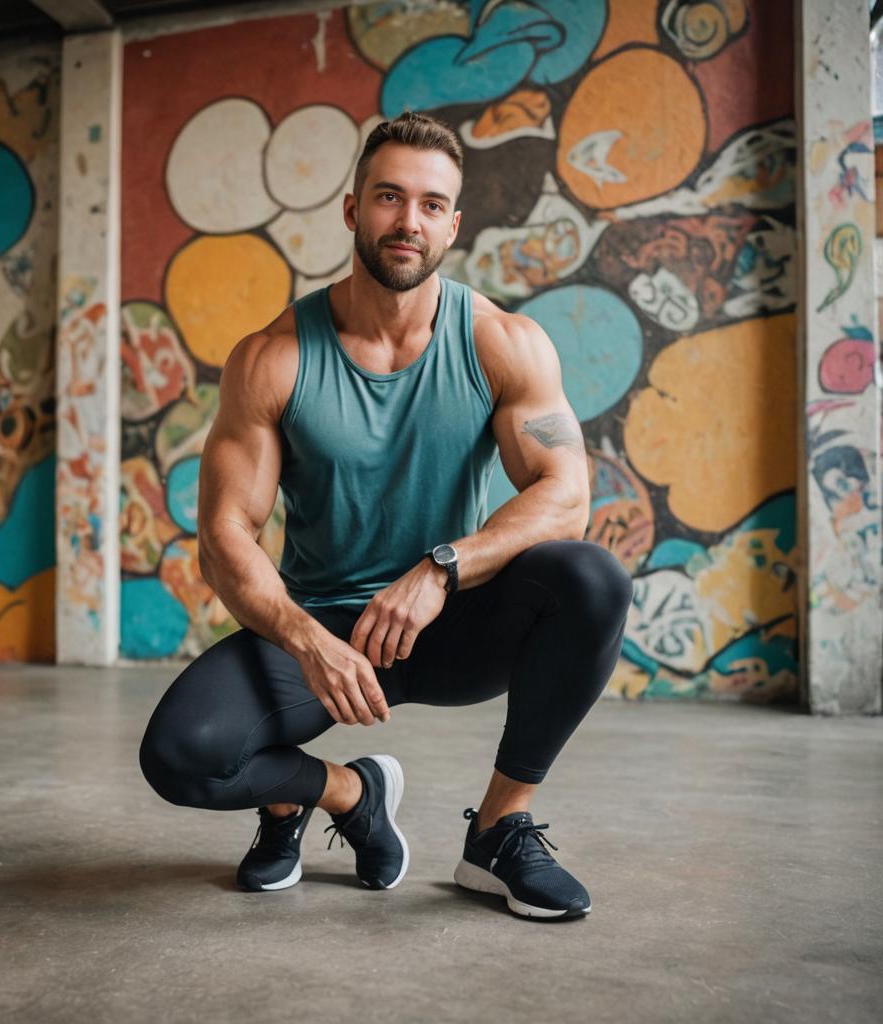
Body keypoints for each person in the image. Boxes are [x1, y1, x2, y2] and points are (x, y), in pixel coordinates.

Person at [138, 112, 634, 920]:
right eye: (390, 198)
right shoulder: (273, 357)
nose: (410, 221)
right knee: (180, 755)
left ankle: (499, 834)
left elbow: (566, 493)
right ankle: (339, 795)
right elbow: (226, 537)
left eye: (433, 205)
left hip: (452, 617)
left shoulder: (501, 342)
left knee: (590, 578)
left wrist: (441, 570)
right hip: (325, 633)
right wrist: (305, 639)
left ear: (454, 224)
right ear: (351, 209)